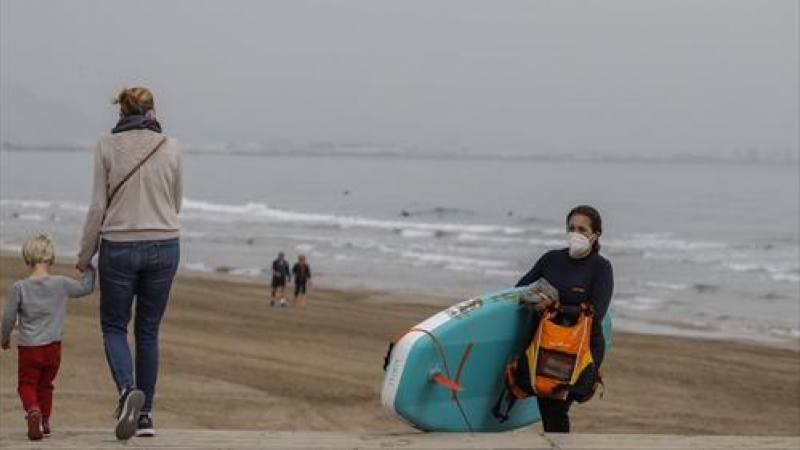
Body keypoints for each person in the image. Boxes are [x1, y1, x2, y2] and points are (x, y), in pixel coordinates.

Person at [76, 86, 182, 440]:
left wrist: (84, 254)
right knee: (149, 330)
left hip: (119, 246)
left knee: (114, 327)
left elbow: (97, 207)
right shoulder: (171, 145)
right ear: (152, 112)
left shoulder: (106, 146)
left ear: (121, 112)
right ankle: (146, 416)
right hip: (165, 243)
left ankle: (126, 393)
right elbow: (176, 201)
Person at [515, 205, 613, 433]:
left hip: (579, 348)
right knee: (548, 405)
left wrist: (555, 306)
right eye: (572, 228)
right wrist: (533, 299)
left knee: (557, 406)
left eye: (582, 229)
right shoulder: (551, 259)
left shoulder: (601, 268)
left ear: (595, 234)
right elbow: (520, 289)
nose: (576, 233)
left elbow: (596, 311)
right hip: (544, 343)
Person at [1, 233, 96, 440]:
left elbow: (8, 318)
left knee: (26, 384)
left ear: (27, 260)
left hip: (29, 348)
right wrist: (88, 267)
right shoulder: (61, 283)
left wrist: (4, 338)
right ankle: (44, 422)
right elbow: (86, 287)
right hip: (53, 348)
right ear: (51, 259)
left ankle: (33, 410)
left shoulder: (20, 287)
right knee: (46, 385)